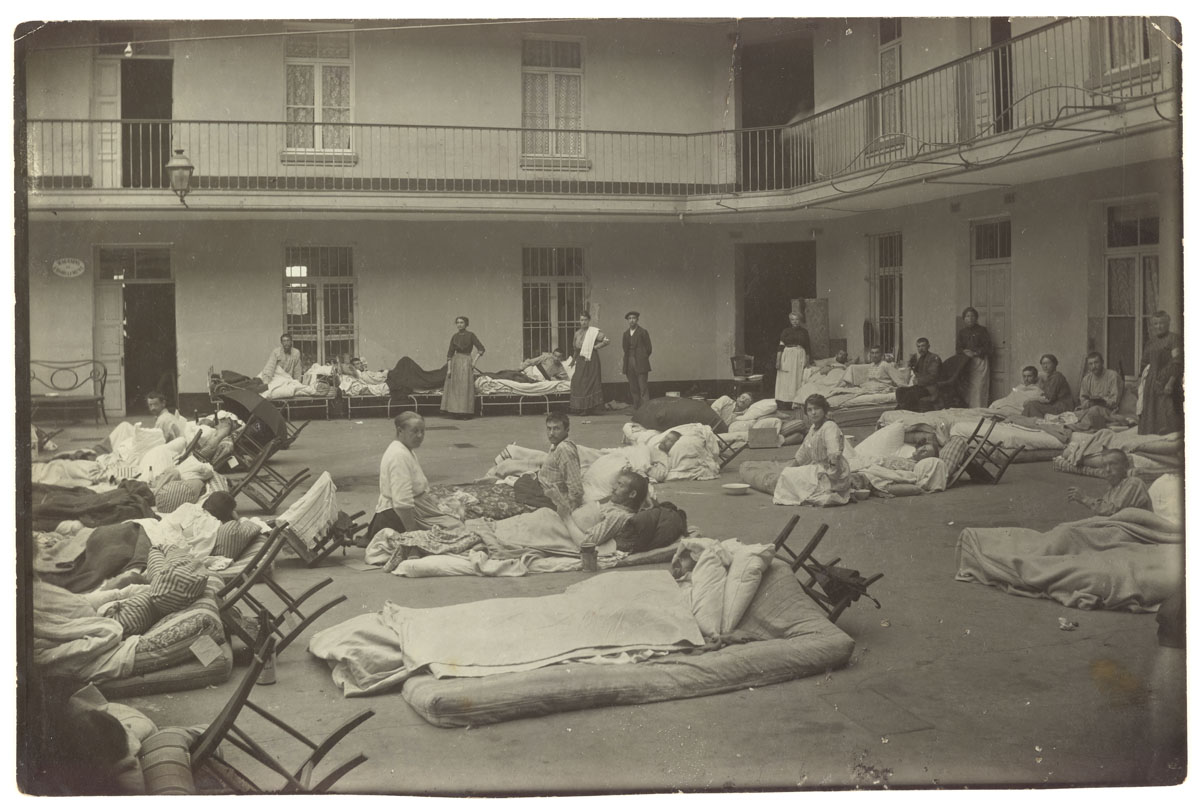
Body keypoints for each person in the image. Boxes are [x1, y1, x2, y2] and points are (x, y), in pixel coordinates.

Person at [773, 393, 852, 507]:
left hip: (835, 475)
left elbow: (834, 455)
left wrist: (831, 478)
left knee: (796, 483)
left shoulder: (829, 426)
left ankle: (829, 492)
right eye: (809, 410)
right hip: (820, 470)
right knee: (788, 474)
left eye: (817, 408)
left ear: (824, 410)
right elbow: (803, 453)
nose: (813, 413)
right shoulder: (813, 428)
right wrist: (789, 470)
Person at [513, 412, 585, 510]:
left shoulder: (564, 449)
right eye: (549, 428)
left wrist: (571, 509)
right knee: (522, 482)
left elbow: (576, 489)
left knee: (521, 488)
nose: (551, 433)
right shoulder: (557, 443)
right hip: (543, 484)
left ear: (567, 430)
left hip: (550, 495)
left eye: (556, 429)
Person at [1066, 449, 1151, 515]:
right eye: (1104, 466)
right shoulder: (1113, 489)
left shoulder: (1133, 483)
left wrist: (1085, 499)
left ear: (1126, 466)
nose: (1107, 469)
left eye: (1113, 464)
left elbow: (1113, 511)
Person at [1138, 311, 1183, 435]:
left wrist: (1170, 382)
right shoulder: (1150, 342)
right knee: (1150, 414)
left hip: (1168, 381)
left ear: (1168, 323)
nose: (1159, 326)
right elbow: (1144, 363)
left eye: (1162, 323)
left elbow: (1177, 362)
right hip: (1151, 382)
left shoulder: (1174, 339)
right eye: (1155, 324)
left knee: (1167, 412)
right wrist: (1141, 382)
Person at [1067, 352, 1132, 432]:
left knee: (1094, 411)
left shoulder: (1113, 376)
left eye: (1096, 362)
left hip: (1109, 411)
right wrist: (1089, 403)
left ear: (1102, 362)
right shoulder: (1086, 379)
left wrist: (1102, 401)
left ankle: (1088, 426)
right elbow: (1083, 399)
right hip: (1090, 409)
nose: (1093, 366)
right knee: (1070, 416)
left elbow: (1115, 400)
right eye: (1090, 364)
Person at [441, 316, 485, 418]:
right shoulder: (454, 336)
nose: (459, 324)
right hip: (456, 362)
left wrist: (474, 362)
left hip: (466, 361)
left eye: (461, 322)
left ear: (466, 324)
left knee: (465, 387)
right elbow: (450, 354)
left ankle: (465, 412)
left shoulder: (471, 335)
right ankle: (455, 411)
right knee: (456, 387)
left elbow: (481, 348)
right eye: (457, 322)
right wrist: (449, 369)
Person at [570, 311, 610, 414]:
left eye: (585, 320)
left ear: (589, 321)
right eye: (581, 320)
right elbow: (575, 349)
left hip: (591, 360)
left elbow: (606, 341)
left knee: (589, 382)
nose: (583, 322)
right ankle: (580, 407)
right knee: (577, 382)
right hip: (580, 359)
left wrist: (595, 347)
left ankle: (588, 409)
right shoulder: (577, 333)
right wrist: (573, 360)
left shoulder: (594, 332)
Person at [774, 311, 812, 409]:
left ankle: (795, 402)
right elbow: (781, 346)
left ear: (800, 320)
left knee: (797, 378)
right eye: (792, 319)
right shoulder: (786, 331)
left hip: (799, 355)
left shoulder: (804, 332)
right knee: (785, 379)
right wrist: (778, 360)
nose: (794, 321)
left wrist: (807, 361)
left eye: (797, 319)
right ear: (790, 321)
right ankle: (784, 403)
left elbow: (807, 347)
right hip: (787, 355)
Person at [956, 307, 992, 408]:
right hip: (966, 363)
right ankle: (970, 410)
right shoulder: (962, 332)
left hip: (980, 362)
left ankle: (979, 410)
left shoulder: (982, 330)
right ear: (964, 319)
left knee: (979, 388)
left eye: (972, 316)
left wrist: (975, 353)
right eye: (967, 316)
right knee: (968, 389)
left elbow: (988, 348)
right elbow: (958, 348)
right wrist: (964, 352)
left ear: (976, 318)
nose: (970, 318)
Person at [896, 337, 942, 411]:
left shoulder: (933, 358)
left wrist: (918, 381)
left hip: (930, 388)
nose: (920, 348)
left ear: (928, 346)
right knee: (900, 391)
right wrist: (912, 366)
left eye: (923, 346)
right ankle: (903, 409)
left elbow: (933, 376)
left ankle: (901, 410)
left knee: (911, 394)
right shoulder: (921, 359)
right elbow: (917, 372)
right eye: (918, 346)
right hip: (921, 387)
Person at [622, 311, 653, 410]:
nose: (632, 320)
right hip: (629, 362)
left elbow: (649, 349)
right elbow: (625, 348)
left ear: (637, 320)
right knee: (633, 387)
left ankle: (646, 409)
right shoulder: (626, 334)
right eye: (630, 318)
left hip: (640, 362)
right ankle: (636, 408)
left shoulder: (643, 332)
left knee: (643, 387)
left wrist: (642, 357)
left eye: (634, 318)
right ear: (627, 320)